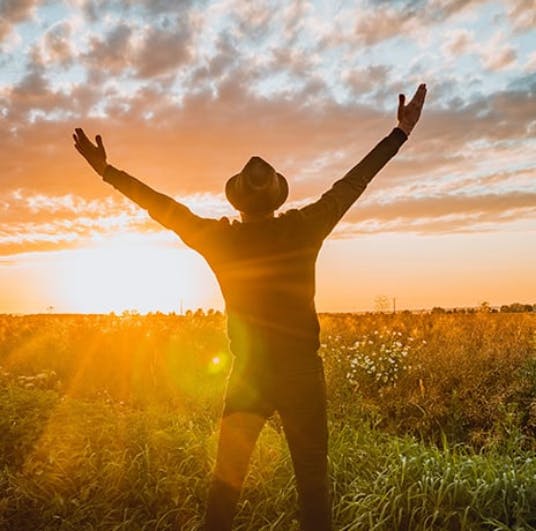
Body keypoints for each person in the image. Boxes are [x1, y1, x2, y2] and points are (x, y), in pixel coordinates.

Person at [73, 83, 427, 530]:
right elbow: (353, 182)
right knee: (313, 490)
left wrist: (107, 172)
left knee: (225, 489)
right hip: (302, 375)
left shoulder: (221, 241)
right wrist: (400, 133)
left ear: (237, 202)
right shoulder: (304, 227)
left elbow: (162, 207)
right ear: (277, 198)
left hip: (248, 374)